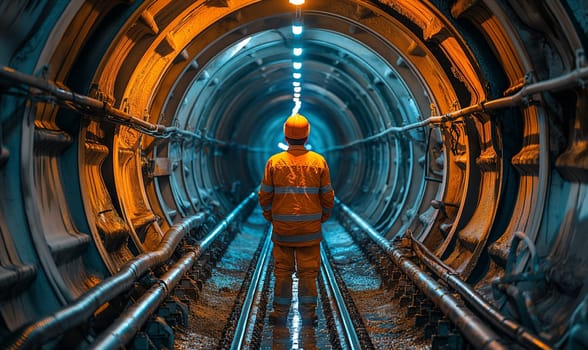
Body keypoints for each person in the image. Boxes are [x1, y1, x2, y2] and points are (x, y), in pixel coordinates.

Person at [258, 113, 335, 326]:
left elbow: (264, 195)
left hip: (283, 231)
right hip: (310, 231)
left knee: (282, 271)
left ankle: (280, 313)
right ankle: (309, 315)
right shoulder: (318, 162)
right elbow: (327, 195)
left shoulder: (274, 162)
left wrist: (270, 216)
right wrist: (323, 216)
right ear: (307, 136)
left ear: (286, 135)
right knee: (308, 273)